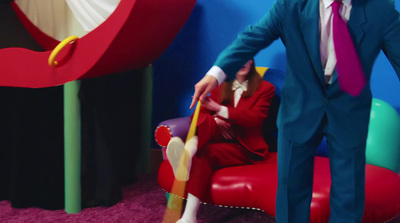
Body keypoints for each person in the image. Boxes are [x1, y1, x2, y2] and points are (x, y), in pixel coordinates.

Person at [190, 0, 400, 222]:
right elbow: (251, 38)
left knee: (349, 192)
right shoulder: (290, 5)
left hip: (349, 112)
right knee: (292, 189)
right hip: (299, 109)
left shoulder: (380, 9)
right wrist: (216, 74)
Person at [166, 59, 275, 223]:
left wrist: (218, 110)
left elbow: (255, 119)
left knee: (202, 152)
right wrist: (216, 121)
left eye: (247, 57)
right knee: (206, 127)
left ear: (252, 61)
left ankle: (187, 155)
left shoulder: (265, 88)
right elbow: (198, 115)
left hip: (245, 147)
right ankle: (189, 217)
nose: (242, 62)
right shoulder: (219, 86)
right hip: (218, 142)